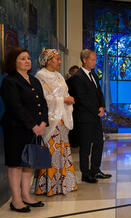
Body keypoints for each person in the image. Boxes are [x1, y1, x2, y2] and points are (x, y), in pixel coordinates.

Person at [0, 47, 48, 212]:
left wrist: (43, 122)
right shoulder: (9, 81)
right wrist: (33, 125)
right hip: (16, 129)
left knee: (28, 163)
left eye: (28, 58)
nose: (27, 61)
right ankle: (16, 200)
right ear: (14, 62)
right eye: (22, 58)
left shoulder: (34, 80)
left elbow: (42, 103)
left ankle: (26, 196)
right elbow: (16, 107)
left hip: (34, 129)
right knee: (16, 164)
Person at [32, 49, 78, 196]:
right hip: (51, 119)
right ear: (48, 60)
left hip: (62, 118)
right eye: (57, 59)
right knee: (51, 152)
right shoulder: (40, 76)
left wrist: (68, 99)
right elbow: (42, 99)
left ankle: (63, 184)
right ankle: (49, 186)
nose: (59, 61)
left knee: (62, 151)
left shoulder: (59, 76)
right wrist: (63, 100)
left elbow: (64, 93)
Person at [68, 49, 111, 183]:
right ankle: (86, 174)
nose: (95, 62)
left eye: (95, 59)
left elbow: (99, 94)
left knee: (99, 143)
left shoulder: (94, 75)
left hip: (95, 117)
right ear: (84, 60)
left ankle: (95, 170)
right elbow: (82, 99)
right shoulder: (77, 77)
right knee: (85, 147)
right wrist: (96, 110)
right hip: (85, 118)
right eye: (92, 59)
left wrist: (102, 106)